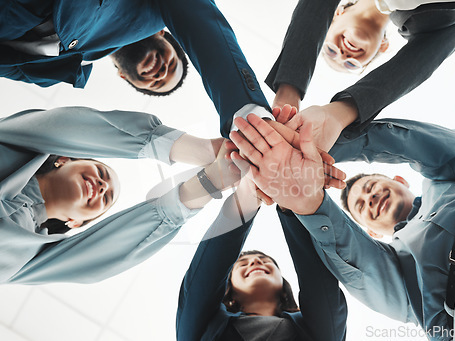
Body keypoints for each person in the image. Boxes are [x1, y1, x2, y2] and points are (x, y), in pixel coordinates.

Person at [230, 113, 455, 340]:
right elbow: (362, 263)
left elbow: (421, 144)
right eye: (362, 207)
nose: (370, 199)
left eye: (370, 188)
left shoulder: (447, 175)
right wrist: (308, 198)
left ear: (399, 179)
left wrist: (323, 147)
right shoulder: (400, 266)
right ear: (370, 231)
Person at [0, 105, 243, 284]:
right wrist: (204, 152)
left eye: (105, 199)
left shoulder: (29, 256)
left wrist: (210, 182)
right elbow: (62, 127)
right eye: (100, 172)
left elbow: (103, 252)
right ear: (63, 159)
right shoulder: (12, 141)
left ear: (75, 222)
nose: (102, 187)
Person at [0, 0, 270, 136]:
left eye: (156, 83)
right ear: (165, 34)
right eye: (171, 63)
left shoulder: (59, 74)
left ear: (124, 77)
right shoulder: (153, 9)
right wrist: (247, 116)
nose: (161, 73)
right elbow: (201, 22)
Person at [265, 0, 455, 151]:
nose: (344, 53)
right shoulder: (437, 25)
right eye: (350, 64)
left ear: (337, 13)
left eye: (330, 49)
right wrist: (338, 114)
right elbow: (417, 65)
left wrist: (288, 92)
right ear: (383, 47)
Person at [176, 174, 347, 341]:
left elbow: (318, 283)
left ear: (283, 284)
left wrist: (290, 203)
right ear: (230, 289)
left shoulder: (318, 329)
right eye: (242, 264)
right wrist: (246, 202)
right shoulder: (206, 328)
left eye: (266, 262)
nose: (255, 261)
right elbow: (204, 277)